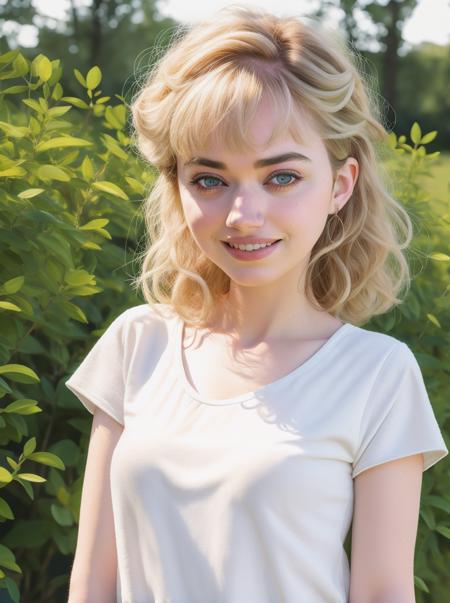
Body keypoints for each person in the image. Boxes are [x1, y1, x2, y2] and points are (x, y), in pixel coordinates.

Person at [65, 5, 448, 602]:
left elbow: (380, 593)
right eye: (210, 179)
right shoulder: (137, 344)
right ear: (178, 188)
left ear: (340, 185)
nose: (244, 216)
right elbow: (91, 584)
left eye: (282, 178)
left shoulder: (378, 376)